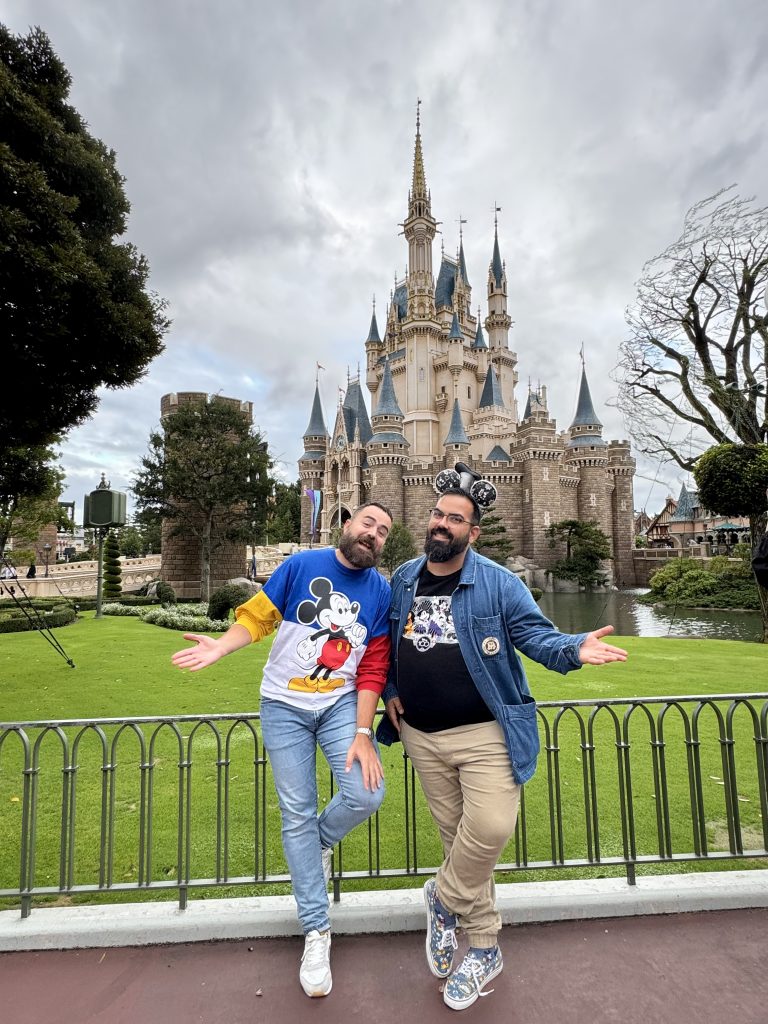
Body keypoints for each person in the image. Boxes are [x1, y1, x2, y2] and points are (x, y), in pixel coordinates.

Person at [377, 467, 627, 1011]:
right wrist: (391, 687)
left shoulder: (497, 582)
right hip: (420, 734)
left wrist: (573, 648)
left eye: (455, 519)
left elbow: (537, 637)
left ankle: (441, 901)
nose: (442, 524)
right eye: (438, 514)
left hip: (486, 732)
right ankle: (485, 947)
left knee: (488, 829)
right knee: (461, 847)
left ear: (474, 532)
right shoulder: (402, 578)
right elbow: (384, 642)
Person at [172, 502, 392, 998]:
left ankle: (317, 845)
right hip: (283, 706)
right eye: (367, 523)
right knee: (296, 812)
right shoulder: (301, 567)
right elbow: (259, 618)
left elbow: (374, 668)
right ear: (347, 524)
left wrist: (363, 732)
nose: (373, 534)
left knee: (365, 794)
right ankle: (317, 930)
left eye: (383, 531)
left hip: (339, 707)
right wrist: (219, 647)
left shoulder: (380, 592)